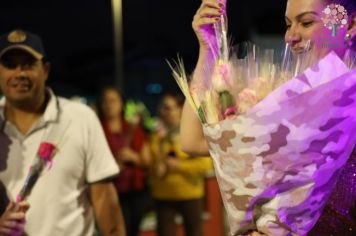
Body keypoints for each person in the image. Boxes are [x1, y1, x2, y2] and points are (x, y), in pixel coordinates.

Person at [180, 0, 355, 235]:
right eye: (287, 24)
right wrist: (208, 48)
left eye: (306, 22)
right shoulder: (277, 100)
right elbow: (193, 141)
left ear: (349, 23)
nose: (290, 36)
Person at [0, 29, 126, 236]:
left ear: (46, 70)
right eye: (10, 65)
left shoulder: (80, 117)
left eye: (29, 64)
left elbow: (104, 198)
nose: (19, 73)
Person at [149, 92, 213, 236]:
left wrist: (178, 166)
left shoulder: (191, 134)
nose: (164, 112)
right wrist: (156, 167)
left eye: (168, 107)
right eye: (162, 108)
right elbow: (150, 164)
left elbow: (205, 165)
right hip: (163, 196)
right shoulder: (156, 135)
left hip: (190, 195)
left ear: (179, 109)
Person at [98, 87, 151, 236]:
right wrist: (112, 165)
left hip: (135, 191)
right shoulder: (97, 130)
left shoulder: (133, 129)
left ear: (122, 104)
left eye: (113, 101)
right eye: (105, 101)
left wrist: (134, 157)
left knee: (133, 230)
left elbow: (147, 161)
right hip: (109, 192)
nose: (109, 105)